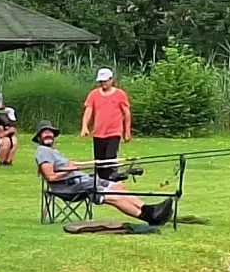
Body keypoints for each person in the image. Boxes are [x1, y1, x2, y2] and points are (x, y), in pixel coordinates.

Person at [35, 122, 171, 224]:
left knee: (119, 187)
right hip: (73, 187)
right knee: (113, 196)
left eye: (50, 132)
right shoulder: (43, 152)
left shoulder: (53, 151)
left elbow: (67, 167)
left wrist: (76, 165)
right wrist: (70, 169)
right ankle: (147, 217)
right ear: (39, 137)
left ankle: (148, 209)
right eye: (44, 133)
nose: (48, 134)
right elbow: (51, 177)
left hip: (84, 180)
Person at [81, 67, 133, 177]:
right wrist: (84, 126)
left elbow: (126, 113)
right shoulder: (94, 94)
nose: (103, 83)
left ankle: (111, 180)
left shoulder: (120, 94)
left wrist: (127, 130)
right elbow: (88, 110)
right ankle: (100, 183)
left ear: (111, 80)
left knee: (110, 159)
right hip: (98, 133)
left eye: (105, 81)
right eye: (101, 81)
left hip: (114, 132)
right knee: (99, 162)